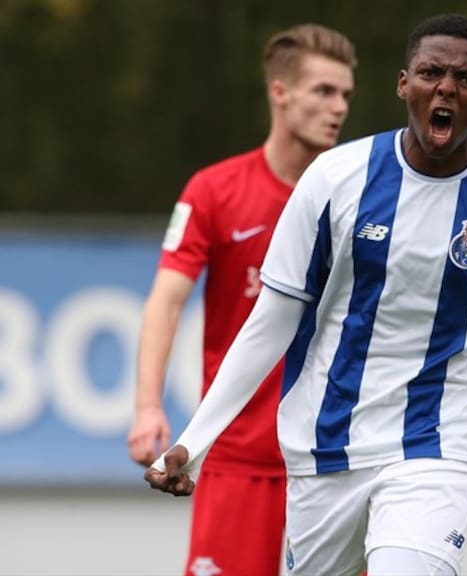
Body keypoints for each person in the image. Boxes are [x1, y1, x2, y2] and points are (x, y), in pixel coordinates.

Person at [145, 13, 467, 576]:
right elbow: (270, 323)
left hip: (436, 445)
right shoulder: (334, 178)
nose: (446, 88)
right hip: (325, 446)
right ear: (404, 84)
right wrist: (193, 444)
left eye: (466, 80)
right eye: (431, 72)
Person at [128, 23, 357, 576]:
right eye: (323, 91)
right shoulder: (214, 190)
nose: (339, 108)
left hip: (340, 459)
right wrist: (147, 406)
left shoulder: (361, 192)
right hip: (238, 456)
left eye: (346, 94)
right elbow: (165, 301)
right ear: (280, 92)